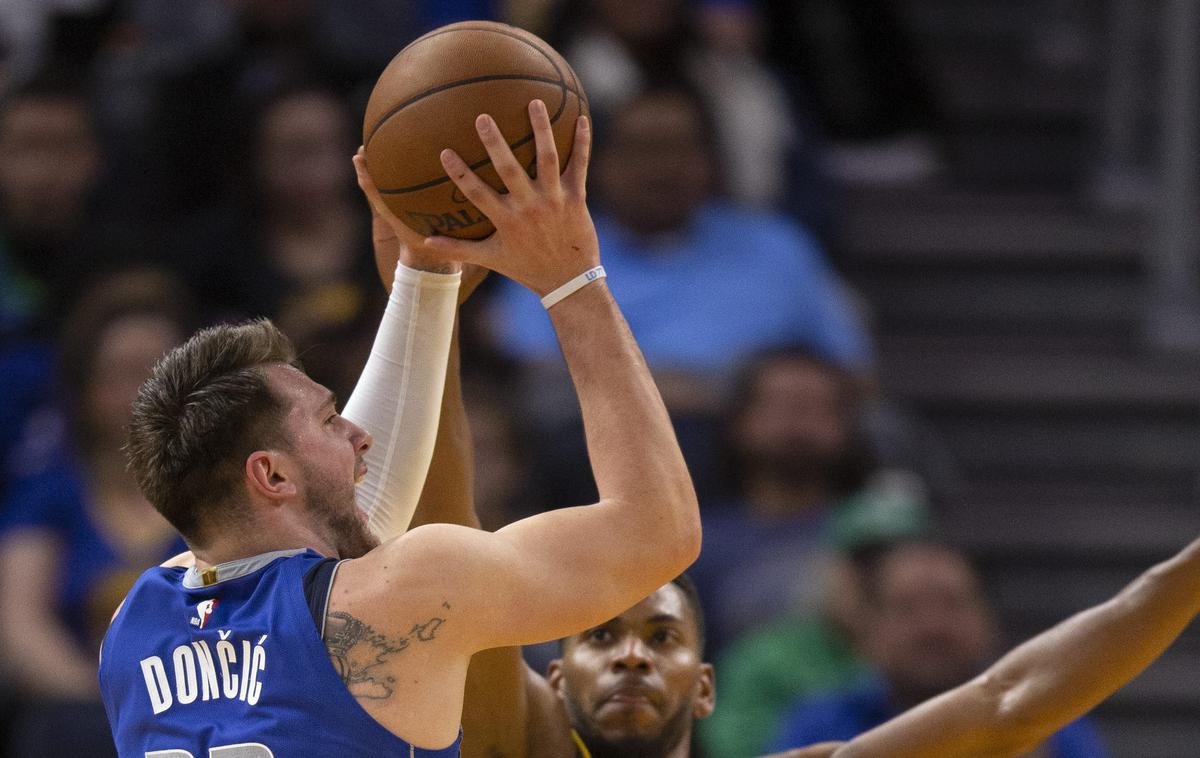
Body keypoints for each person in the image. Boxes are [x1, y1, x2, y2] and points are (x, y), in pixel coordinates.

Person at [100, 102, 701, 755]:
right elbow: (659, 528)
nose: (360, 437)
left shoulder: (134, 626)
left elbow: (337, 524)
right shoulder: (401, 594)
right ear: (270, 475)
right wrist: (570, 275)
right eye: (331, 422)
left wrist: (424, 274)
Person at [765, 530, 1200, 758]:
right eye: (908, 608)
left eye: (952, 603)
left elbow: (1003, 705)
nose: (932, 626)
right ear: (868, 628)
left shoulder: (1058, 721)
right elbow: (1002, 707)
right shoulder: (818, 723)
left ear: (985, 619)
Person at [0, 269, 193, 756]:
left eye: (161, 372)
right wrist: (108, 704)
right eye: (126, 374)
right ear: (85, 393)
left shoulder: (221, 495)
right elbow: (20, 626)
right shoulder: (49, 493)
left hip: (205, 711)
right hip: (79, 718)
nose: (146, 392)